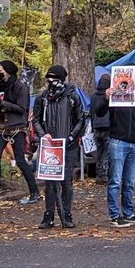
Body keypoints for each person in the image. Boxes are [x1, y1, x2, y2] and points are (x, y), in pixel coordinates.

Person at [93, 71, 135, 227]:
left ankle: (129, 213)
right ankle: (115, 215)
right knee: (115, 181)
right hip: (118, 141)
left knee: (130, 181)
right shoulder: (113, 93)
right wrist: (106, 97)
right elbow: (98, 111)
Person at [32, 64, 87, 229]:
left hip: (68, 145)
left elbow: (81, 119)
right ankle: (48, 216)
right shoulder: (42, 98)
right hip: (49, 146)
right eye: (49, 78)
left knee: (66, 181)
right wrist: (43, 134)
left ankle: (66, 214)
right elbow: (35, 119)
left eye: (55, 78)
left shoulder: (72, 96)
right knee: (49, 182)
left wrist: (71, 136)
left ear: (62, 79)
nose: (51, 81)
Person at [0, 59, 39, 204]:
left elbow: (21, 108)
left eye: (0, 70)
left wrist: (3, 103)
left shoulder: (20, 87)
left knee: (20, 160)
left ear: (8, 72)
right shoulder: (2, 87)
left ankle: (34, 190)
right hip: (3, 126)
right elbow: (4, 106)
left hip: (17, 128)